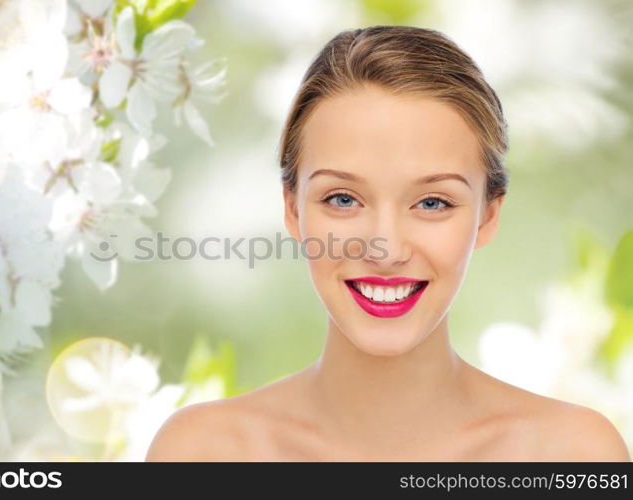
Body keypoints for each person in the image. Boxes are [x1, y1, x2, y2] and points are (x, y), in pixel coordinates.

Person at [145, 25, 631, 461]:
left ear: (488, 215)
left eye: (433, 203)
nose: (384, 249)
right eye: (342, 198)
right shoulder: (202, 454)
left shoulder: (572, 455)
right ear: (293, 209)